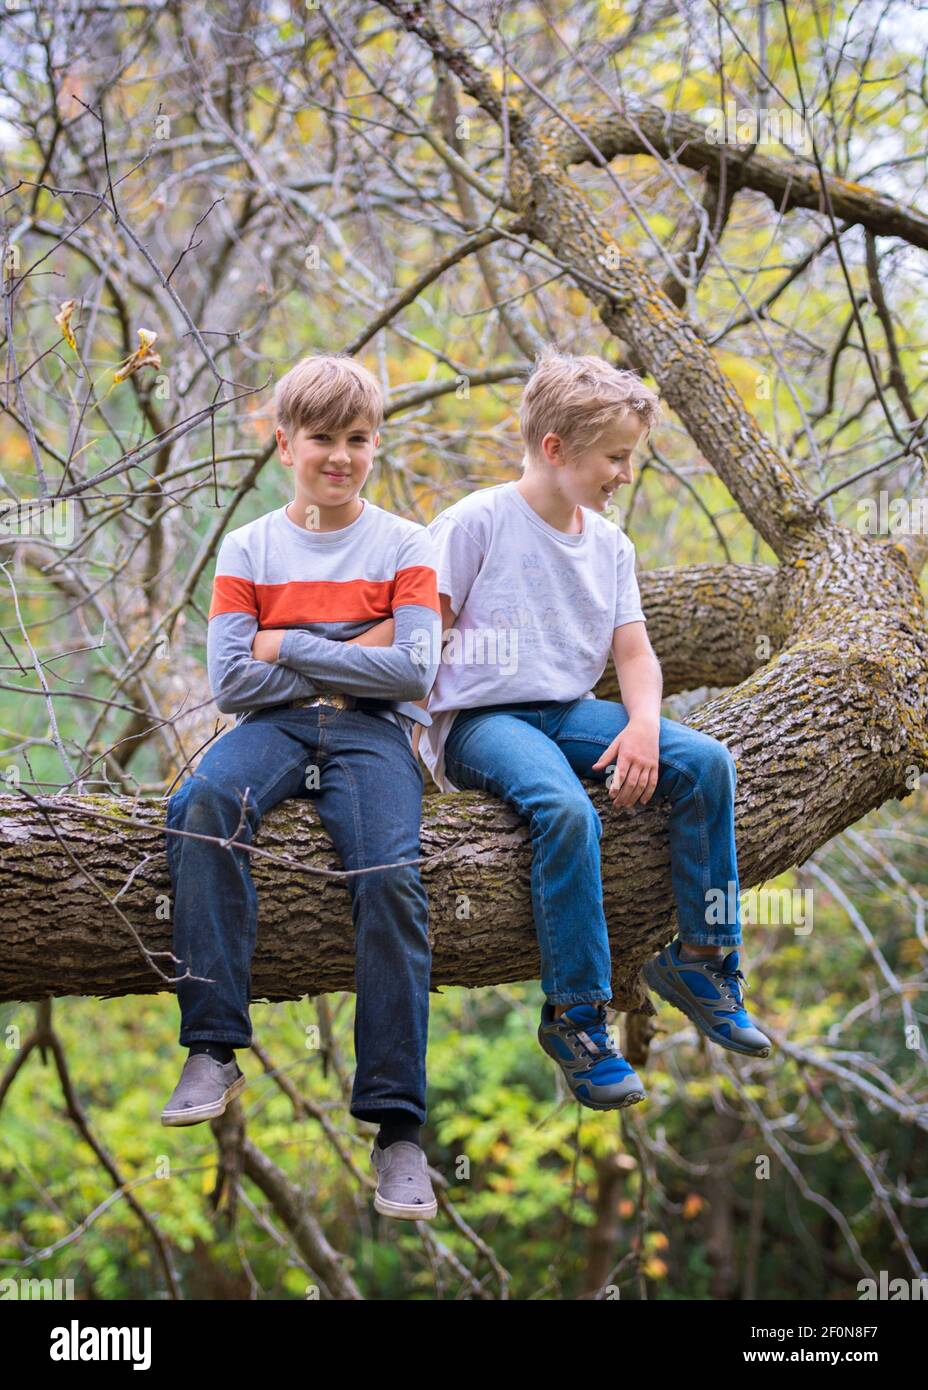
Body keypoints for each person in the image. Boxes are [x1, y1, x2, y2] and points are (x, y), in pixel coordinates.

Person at [416, 346, 772, 1111]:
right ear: (555, 449)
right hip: (481, 720)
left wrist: (644, 725)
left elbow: (635, 652)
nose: (625, 472)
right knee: (567, 810)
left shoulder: (610, 545)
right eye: (615, 457)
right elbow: (422, 641)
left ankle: (703, 959)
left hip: (569, 711)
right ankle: (577, 1019)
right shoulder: (476, 523)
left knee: (707, 764)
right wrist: (404, 752)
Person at [162, 353, 442, 1220]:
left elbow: (416, 673)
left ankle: (397, 1130)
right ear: (285, 443)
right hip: (271, 730)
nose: (341, 456)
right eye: (322, 437)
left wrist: (287, 645)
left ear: (375, 444)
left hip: (373, 738)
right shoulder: (250, 546)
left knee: (389, 877)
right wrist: (359, 651)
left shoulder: (406, 543)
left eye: (358, 439)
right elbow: (232, 685)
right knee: (200, 806)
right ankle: (213, 1045)